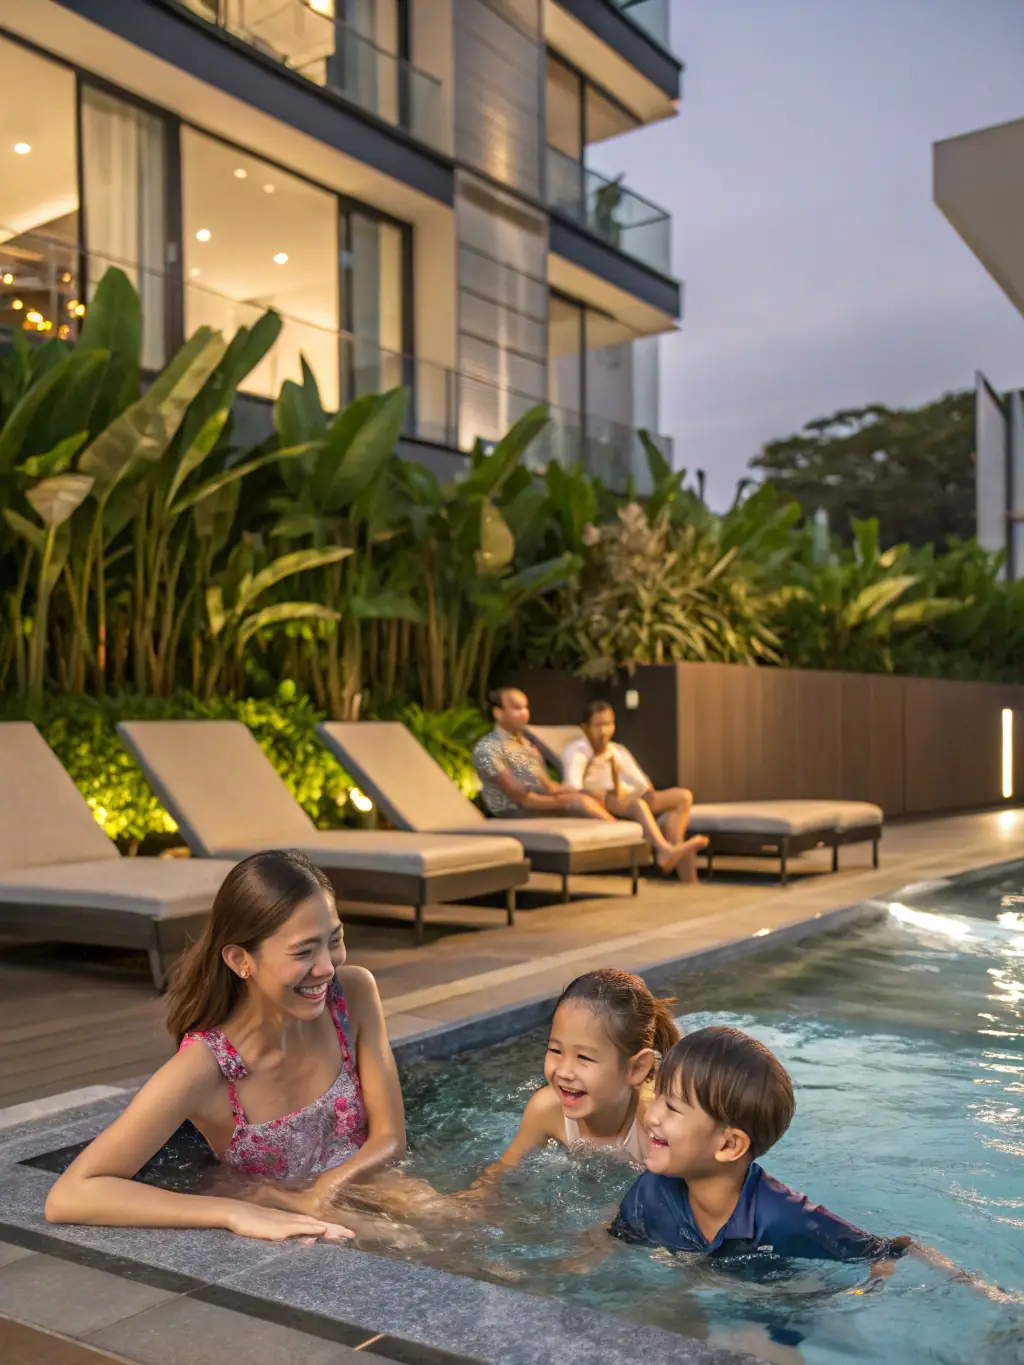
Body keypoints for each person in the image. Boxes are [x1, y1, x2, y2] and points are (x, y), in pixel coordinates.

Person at [44, 849, 408, 1243]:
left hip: (369, 1191)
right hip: (298, 1233)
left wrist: (321, 1194)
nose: (327, 967)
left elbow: (390, 1138)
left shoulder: (351, 996)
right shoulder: (205, 1067)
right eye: (304, 952)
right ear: (240, 960)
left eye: (334, 939)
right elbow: (71, 1194)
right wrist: (233, 1212)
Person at [610, 1026, 912, 1265]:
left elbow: (888, 1253)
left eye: (672, 1108)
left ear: (729, 1145)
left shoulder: (783, 1217)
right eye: (657, 1096)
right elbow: (615, 1244)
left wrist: (871, 1286)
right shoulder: (650, 1192)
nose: (652, 1116)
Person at [486, 969, 681, 1172]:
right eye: (555, 1050)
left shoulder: (654, 1125)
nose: (564, 1072)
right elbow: (501, 1172)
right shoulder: (546, 1110)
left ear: (636, 1068)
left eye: (584, 1057)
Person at [562, 700, 709, 879]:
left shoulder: (617, 750)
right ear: (585, 728)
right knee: (638, 805)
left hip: (626, 796)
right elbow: (574, 788)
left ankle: (675, 847)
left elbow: (641, 781)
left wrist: (647, 791)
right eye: (598, 726)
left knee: (683, 796)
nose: (604, 731)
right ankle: (664, 849)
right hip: (603, 800)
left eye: (609, 724)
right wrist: (601, 794)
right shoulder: (577, 752)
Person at [472, 687, 612, 822]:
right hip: (515, 811)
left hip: (539, 802)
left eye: (526, 707)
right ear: (498, 713)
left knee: (599, 796)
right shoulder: (489, 748)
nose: (524, 713)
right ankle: (615, 829)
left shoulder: (527, 744)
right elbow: (522, 798)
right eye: (517, 708)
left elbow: (546, 784)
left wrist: (567, 791)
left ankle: (618, 830)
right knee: (580, 802)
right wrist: (564, 801)